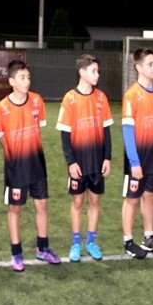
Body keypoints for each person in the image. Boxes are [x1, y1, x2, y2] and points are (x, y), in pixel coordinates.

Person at [0, 59, 59, 271]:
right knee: (15, 208)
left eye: (28, 77)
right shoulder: (2, 108)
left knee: (42, 205)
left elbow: (39, 128)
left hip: (36, 163)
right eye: (22, 77)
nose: (27, 81)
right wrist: (13, 152)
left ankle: (43, 248)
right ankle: (16, 253)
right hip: (16, 168)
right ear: (11, 81)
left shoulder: (37, 101)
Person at [55, 54, 113, 262]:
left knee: (95, 201)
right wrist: (71, 162)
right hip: (78, 162)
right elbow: (65, 134)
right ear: (82, 72)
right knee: (78, 201)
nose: (98, 74)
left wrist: (107, 158)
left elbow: (106, 131)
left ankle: (91, 242)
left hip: (97, 161)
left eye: (98, 71)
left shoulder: (101, 98)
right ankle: (76, 243)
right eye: (94, 71)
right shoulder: (70, 98)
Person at [121, 48, 153, 259]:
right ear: (138, 67)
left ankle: (148, 238)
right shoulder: (132, 95)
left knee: (150, 196)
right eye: (150, 64)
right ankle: (128, 241)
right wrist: (134, 162)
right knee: (132, 199)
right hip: (137, 157)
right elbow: (127, 130)